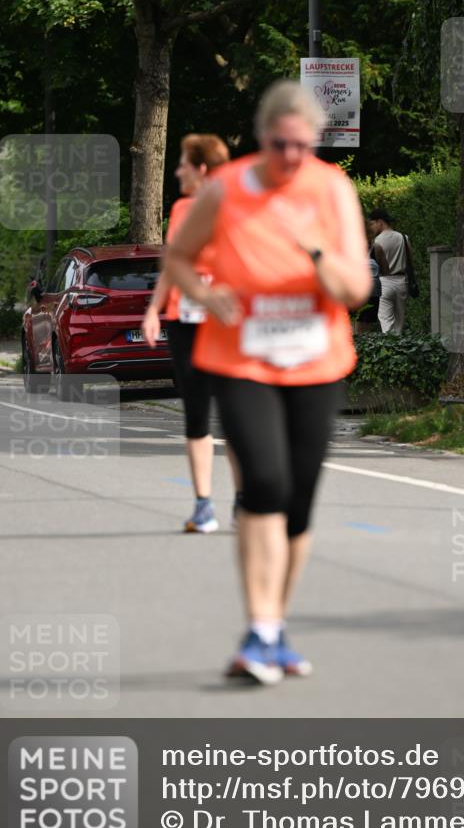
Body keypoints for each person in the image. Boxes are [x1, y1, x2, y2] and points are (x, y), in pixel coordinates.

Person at [164, 81, 371, 685]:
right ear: (261, 138)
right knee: (264, 483)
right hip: (242, 361)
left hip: (316, 363)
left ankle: (273, 628)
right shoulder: (226, 188)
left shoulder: (331, 189)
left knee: (298, 502)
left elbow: (357, 291)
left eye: (303, 146)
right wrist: (204, 294)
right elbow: (178, 258)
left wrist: (315, 252)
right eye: (280, 144)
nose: (291, 157)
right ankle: (259, 629)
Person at [142, 133, 241, 533]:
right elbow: (172, 264)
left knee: (234, 414)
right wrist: (153, 310)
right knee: (196, 412)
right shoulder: (182, 208)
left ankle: (243, 502)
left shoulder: (237, 208)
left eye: (183, 164)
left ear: (201, 169)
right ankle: (203, 505)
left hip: (224, 320)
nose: (177, 171)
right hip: (183, 320)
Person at [367, 207, 414, 335]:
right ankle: (399, 344)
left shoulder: (376, 241)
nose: (371, 227)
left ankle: (390, 345)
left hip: (384, 282)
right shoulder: (404, 238)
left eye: (372, 223)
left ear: (380, 222)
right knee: (399, 322)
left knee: (386, 321)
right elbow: (410, 260)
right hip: (402, 282)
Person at [354, 220, 390, 334]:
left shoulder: (350, 247)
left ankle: (357, 340)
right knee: (369, 321)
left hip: (356, 288)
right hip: (373, 290)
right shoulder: (377, 248)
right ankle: (367, 341)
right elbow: (386, 271)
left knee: (356, 318)